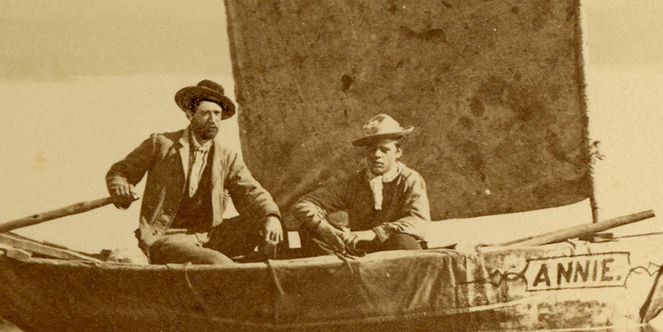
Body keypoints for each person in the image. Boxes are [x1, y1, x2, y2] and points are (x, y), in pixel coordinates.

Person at [106, 79, 284, 265]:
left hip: (209, 236)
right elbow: (120, 171)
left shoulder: (227, 157)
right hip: (167, 238)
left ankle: (270, 273)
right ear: (190, 114)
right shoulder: (161, 144)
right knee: (219, 264)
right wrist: (121, 187)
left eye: (217, 114)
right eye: (206, 113)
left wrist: (271, 216)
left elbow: (252, 192)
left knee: (271, 222)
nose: (213, 120)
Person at [291, 115, 433, 257]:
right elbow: (304, 203)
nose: (377, 155)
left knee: (404, 241)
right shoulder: (355, 182)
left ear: (398, 152)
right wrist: (327, 230)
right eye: (371, 149)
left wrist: (373, 233)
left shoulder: (409, 179)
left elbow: (418, 222)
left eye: (384, 149)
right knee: (310, 232)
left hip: (394, 250)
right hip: (362, 250)